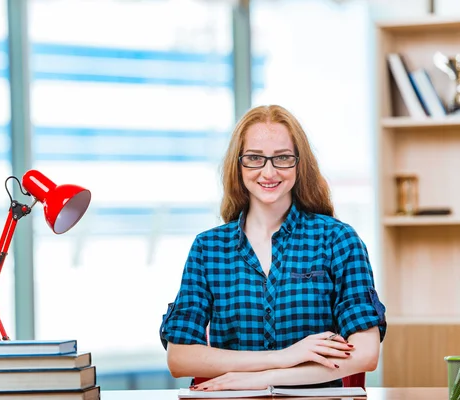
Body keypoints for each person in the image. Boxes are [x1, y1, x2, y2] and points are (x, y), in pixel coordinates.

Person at [159, 105, 386, 391]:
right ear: (238, 164)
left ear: (299, 164)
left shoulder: (338, 240)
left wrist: (267, 377)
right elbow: (180, 358)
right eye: (255, 158)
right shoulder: (208, 248)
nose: (269, 172)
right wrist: (285, 357)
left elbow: (366, 354)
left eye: (282, 158)